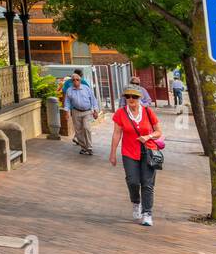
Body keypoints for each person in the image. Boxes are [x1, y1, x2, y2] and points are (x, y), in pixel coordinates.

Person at [110, 85, 163, 226]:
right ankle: (136, 202)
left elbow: (159, 132)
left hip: (149, 151)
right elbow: (116, 134)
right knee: (132, 181)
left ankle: (147, 213)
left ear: (140, 98)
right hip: (129, 152)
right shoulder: (120, 113)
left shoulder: (147, 111)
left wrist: (148, 136)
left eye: (134, 96)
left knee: (147, 184)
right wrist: (113, 153)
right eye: (127, 96)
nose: (131, 99)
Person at [64, 72, 100, 154]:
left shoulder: (86, 88)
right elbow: (67, 103)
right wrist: (66, 113)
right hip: (76, 112)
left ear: (80, 80)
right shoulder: (69, 90)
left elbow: (93, 100)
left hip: (87, 112)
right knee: (78, 131)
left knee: (87, 128)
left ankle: (89, 147)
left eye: (77, 79)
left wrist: (95, 111)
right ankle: (84, 147)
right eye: (73, 80)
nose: (75, 81)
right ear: (71, 81)